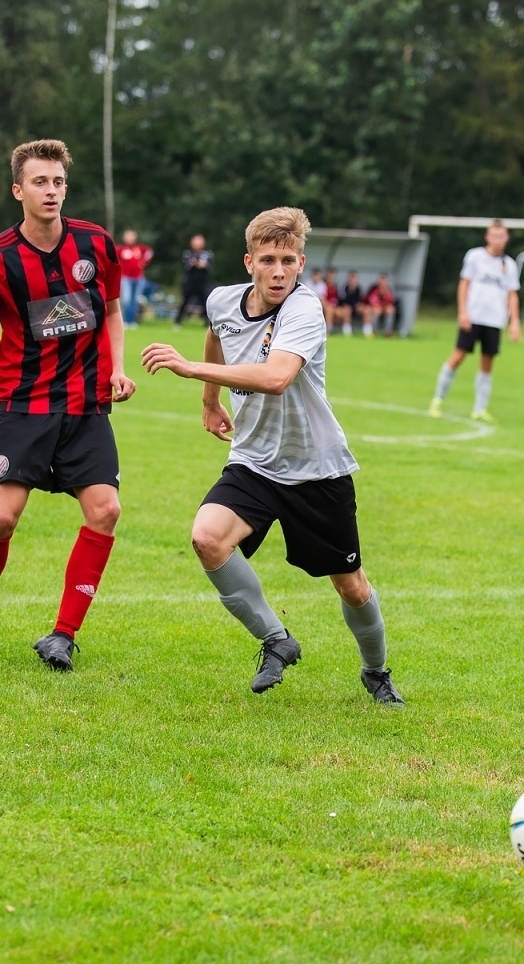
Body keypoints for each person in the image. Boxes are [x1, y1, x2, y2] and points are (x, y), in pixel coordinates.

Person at [138, 206, 403, 706]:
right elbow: (217, 334)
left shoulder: (304, 309)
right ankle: (277, 640)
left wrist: (192, 371)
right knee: (207, 538)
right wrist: (210, 401)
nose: (278, 271)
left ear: (301, 264)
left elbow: (277, 378)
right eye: (268, 260)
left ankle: (375, 671)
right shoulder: (221, 300)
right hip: (254, 461)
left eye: (288, 260)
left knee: (351, 586)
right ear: (249, 262)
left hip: (316, 468)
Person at [0, 139, 135, 669]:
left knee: (106, 510)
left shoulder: (96, 244)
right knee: (3, 518)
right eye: (39, 182)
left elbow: (115, 312)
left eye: (57, 182)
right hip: (22, 406)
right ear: (18, 190)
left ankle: (63, 635)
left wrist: (117, 369)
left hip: (84, 406)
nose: (50, 191)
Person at [429, 221, 520, 422]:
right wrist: (463, 312)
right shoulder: (475, 257)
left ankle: (479, 409)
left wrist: (514, 322)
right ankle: (437, 400)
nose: (498, 240)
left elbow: (512, 294)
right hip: (473, 317)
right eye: (494, 236)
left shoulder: (509, 265)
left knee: (487, 364)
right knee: (457, 357)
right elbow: (464, 284)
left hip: (494, 320)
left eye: (501, 236)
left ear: (507, 239)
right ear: (487, 237)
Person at [174, 234, 213, 327]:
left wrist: (203, 265)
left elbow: (210, 267)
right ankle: (177, 322)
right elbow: (187, 265)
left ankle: (207, 323)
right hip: (190, 282)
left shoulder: (207, 254)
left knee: (205, 303)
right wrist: (197, 264)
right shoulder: (188, 254)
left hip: (202, 282)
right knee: (185, 301)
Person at [116, 229, 153, 325]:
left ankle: (133, 321)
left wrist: (144, 262)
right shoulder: (121, 249)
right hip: (126, 278)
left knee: (135, 300)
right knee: (127, 300)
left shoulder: (139, 248)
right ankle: (126, 320)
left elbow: (149, 253)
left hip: (138, 278)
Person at [336, 270, 366, 335]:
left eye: (354, 278)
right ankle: (347, 332)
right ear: (348, 279)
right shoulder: (343, 288)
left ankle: (367, 331)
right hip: (343, 308)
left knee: (367, 310)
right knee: (347, 309)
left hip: (355, 309)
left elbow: (361, 300)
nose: (352, 280)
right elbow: (341, 301)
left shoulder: (359, 289)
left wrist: (360, 306)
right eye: (351, 278)